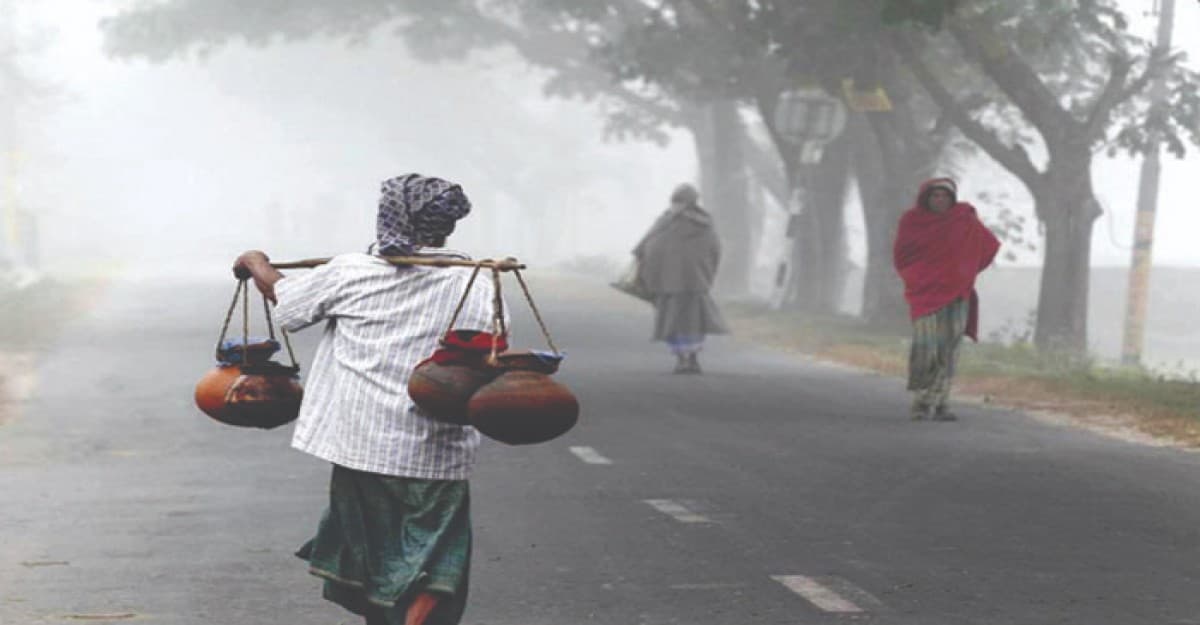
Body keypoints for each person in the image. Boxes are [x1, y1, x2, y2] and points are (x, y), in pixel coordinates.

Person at [233, 173, 499, 625]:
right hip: (435, 445)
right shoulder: (473, 279)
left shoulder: (351, 271)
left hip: (362, 442)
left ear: (389, 215)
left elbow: (290, 305)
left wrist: (255, 261)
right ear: (446, 224)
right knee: (434, 554)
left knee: (374, 553)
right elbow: (488, 350)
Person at [893, 178, 1001, 422]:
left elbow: (989, 245)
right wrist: (916, 278)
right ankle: (921, 399)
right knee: (926, 346)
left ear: (952, 199)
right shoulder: (912, 222)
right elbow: (902, 256)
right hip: (925, 294)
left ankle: (940, 402)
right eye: (935, 196)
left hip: (956, 294)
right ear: (926, 198)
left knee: (948, 349)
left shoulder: (964, 220)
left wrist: (965, 271)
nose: (939, 200)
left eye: (945, 196)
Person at [634, 183, 729, 374]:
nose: (675, 205)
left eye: (679, 202)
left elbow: (645, 248)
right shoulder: (700, 223)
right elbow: (715, 252)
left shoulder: (677, 223)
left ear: (688, 203)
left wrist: (649, 272)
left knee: (680, 322)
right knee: (685, 322)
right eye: (674, 201)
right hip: (688, 283)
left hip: (678, 284)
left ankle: (686, 359)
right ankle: (687, 359)